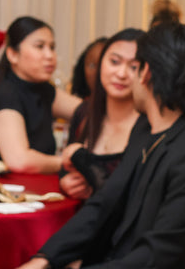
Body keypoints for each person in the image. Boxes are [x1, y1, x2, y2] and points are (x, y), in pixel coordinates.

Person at [16, 22, 185, 269]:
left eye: (134, 66)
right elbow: (105, 201)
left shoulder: (182, 151)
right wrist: (44, 258)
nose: (124, 74)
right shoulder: (145, 130)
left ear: (146, 72)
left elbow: (160, 255)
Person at [0, 16, 80, 173]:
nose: (50, 55)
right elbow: (20, 161)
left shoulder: (44, 89)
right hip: (7, 192)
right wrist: (73, 161)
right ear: (12, 54)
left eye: (52, 47)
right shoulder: (6, 95)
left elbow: (86, 111)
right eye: (40, 47)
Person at [59, 28, 144, 200]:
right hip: (82, 219)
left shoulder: (148, 126)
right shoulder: (84, 113)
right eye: (114, 62)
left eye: (133, 67)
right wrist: (66, 182)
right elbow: (65, 167)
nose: (121, 74)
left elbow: (131, 195)